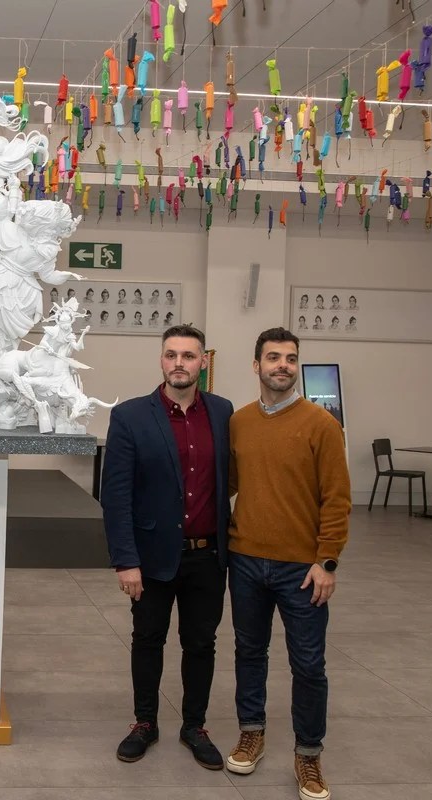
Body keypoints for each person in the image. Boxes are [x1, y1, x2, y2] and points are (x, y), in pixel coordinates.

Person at [224, 327, 351, 800]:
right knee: (249, 653)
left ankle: (309, 755)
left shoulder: (322, 424)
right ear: (255, 365)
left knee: (309, 666)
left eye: (291, 358)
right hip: (246, 562)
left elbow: (337, 499)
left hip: (302, 570)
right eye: (273, 357)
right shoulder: (238, 423)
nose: (282, 365)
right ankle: (251, 731)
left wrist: (327, 561)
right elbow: (229, 486)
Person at [102, 325, 234, 770]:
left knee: (201, 643)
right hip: (151, 556)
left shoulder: (222, 412)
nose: (180, 362)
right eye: (172, 354)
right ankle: (145, 723)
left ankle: (194, 726)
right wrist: (125, 560)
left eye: (189, 356)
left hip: (208, 554)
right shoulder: (130, 416)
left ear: (203, 363)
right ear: (161, 361)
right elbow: (116, 495)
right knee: (148, 639)